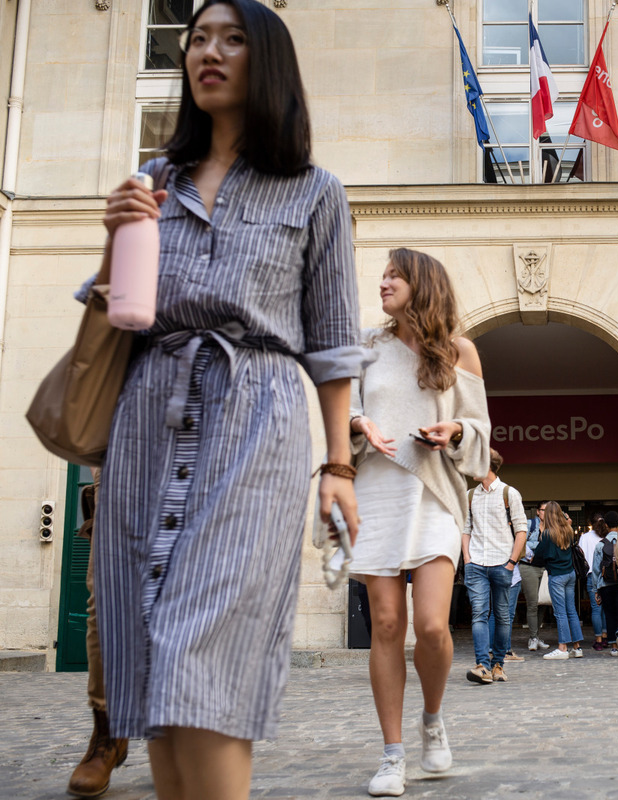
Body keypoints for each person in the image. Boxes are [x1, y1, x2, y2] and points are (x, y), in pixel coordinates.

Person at [88, 3, 368, 798]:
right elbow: (116, 314)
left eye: (232, 38)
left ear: (267, 60)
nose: (208, 51)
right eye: (198, 38)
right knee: (153, 670)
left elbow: (335, 340)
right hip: (147, 423)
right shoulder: (154, 183)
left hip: (256, 422)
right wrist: (116, 239)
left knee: (199, 652)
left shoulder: (314, 192)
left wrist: (338, 464)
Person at [348, 248, 491, 796]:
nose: (383, 283)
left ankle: (433, 718)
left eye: (394, 276)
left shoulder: (461, 352)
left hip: (434, 494)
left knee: (432, 625)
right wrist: (361, 421)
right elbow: (345, 409)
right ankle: (392, 754)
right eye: (383, 275)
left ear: (421, 284)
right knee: (385, 625)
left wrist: (453, 431)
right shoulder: (367, 346)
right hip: (376, 491)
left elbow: (480, 436)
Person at [67, 469, 129, 799]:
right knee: (106, 598)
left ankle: (180, 729)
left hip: (203, 446)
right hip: (120, 453)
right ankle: (107, 734)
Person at [462, 449, 528, 684]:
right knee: (479, 614)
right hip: (477, 564)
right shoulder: (470, 495)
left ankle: (498, 664)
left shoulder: (509, 494)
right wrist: (467, 559)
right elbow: (466, 528)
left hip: (502, 564)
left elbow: (522, 530)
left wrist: (511, 562)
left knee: (502, 617)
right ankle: (482, 665)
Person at [533, 501, 586, 659]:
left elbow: (539, 555)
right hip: (570, 574)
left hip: (556, 575)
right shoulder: (568, 530)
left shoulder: (548, 534)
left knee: (560, 612)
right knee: (571, 611)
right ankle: (577, 648)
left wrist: (541, 533)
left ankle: (562, 648)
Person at [592, 511, 618, 658]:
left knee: (610, 614)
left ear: (606, 525)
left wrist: (595, 589)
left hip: (605, 584)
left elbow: (596, 570)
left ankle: (614, 646)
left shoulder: (600, 545)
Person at [518, 502, 551, 651]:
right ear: (538, 512)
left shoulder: (552, 528)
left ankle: (536, 636)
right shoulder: (530, 525)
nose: (547, 513)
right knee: (532, 603)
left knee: (543, 602)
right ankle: (533, 637)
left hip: (545, 567)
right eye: (544, 510)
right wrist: (532, 553)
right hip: (528, 566)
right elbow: (520, 541)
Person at [579, 513, 607, 650]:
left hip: (591, 575)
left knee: (596, 608)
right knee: (606, 608)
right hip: (606, 576)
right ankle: (606, 636)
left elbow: (580, 557)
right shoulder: (605, 536)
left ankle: (598, 639)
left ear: (590, 523)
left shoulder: (584, 538)